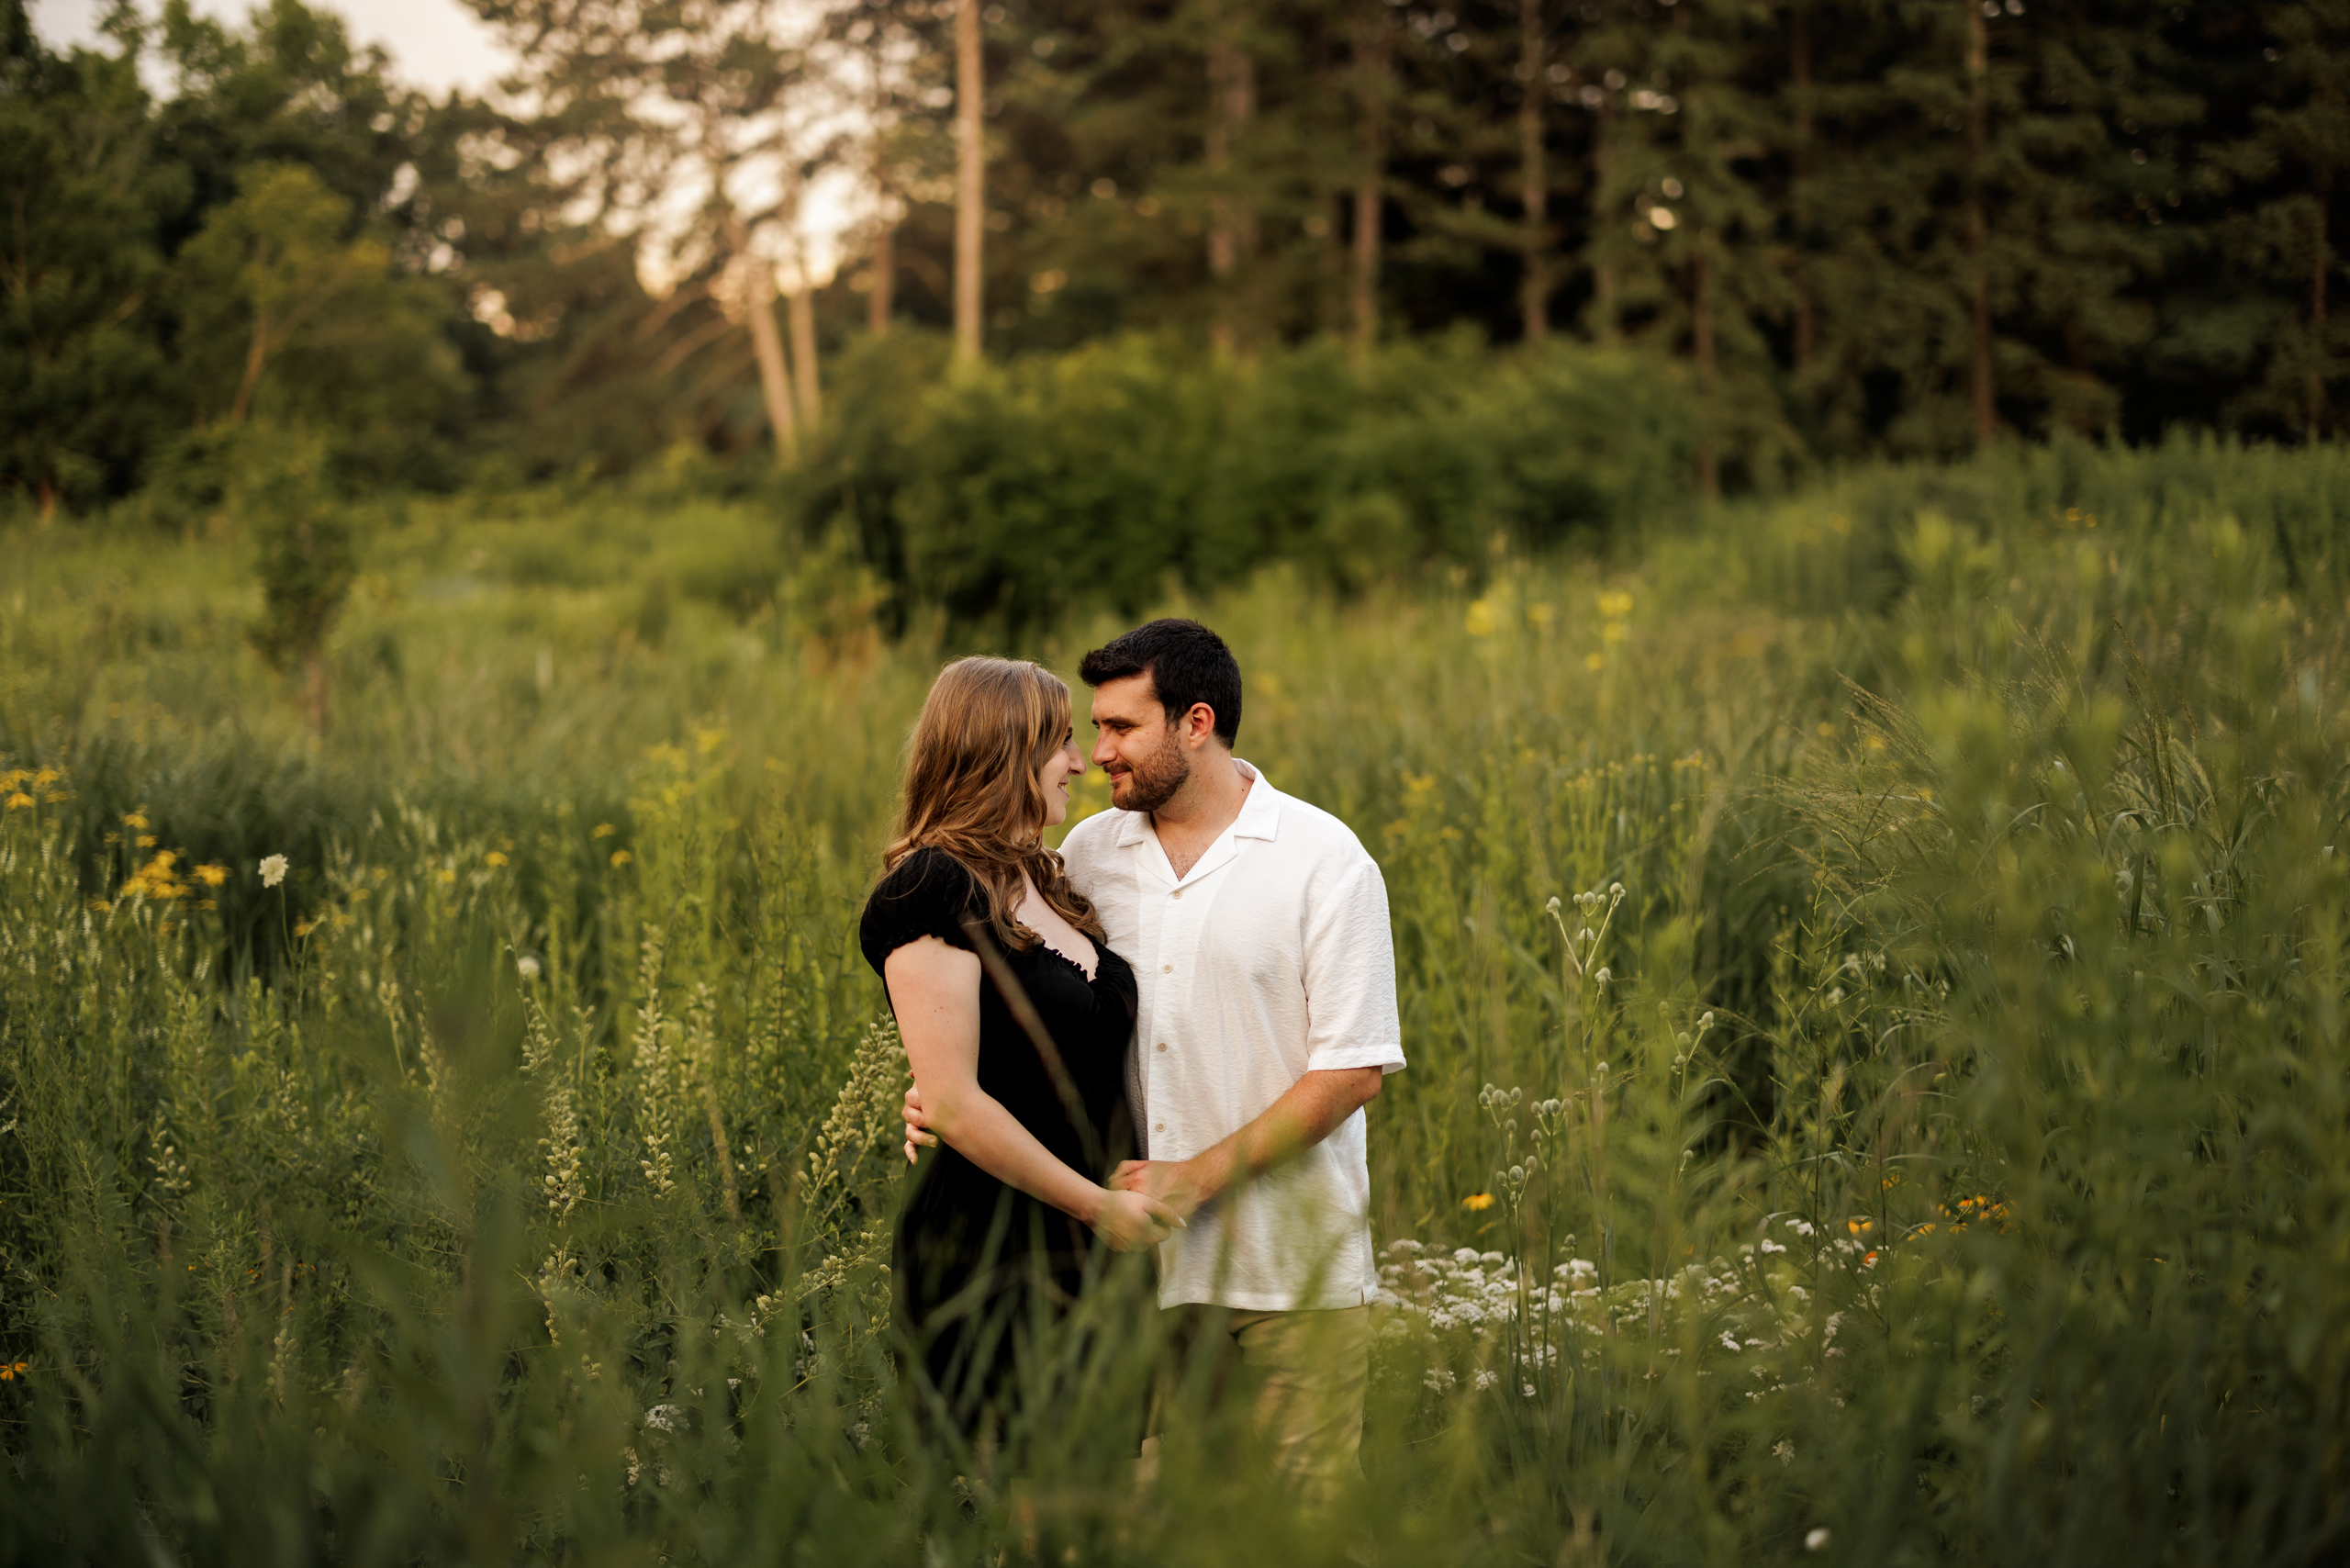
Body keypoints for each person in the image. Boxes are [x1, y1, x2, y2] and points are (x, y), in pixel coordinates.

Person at [903, 620, 1406, 1505]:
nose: (1098, 753)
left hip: (1288, 1267)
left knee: (1307, 1527)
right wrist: (948, 1092)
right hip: (1134, 1276)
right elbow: (1027, 994)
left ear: (1197, 723)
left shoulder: (1323, 861)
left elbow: (1352, 1071)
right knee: (1162, 1526)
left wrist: (1192, 1181)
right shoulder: (1084, 857)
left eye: (1121, 728)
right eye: (1092, 729)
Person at [859, 655, 1183, 1451]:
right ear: (1004, 753)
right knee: (1025, 1507)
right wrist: (1095, 1206)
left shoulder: (1048, 877)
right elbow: (957, 1102)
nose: (1080, 762)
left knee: (1093, 1498)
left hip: (1092, 1245)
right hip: (998, 1244)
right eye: (1061, 743)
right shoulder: (929, 888)